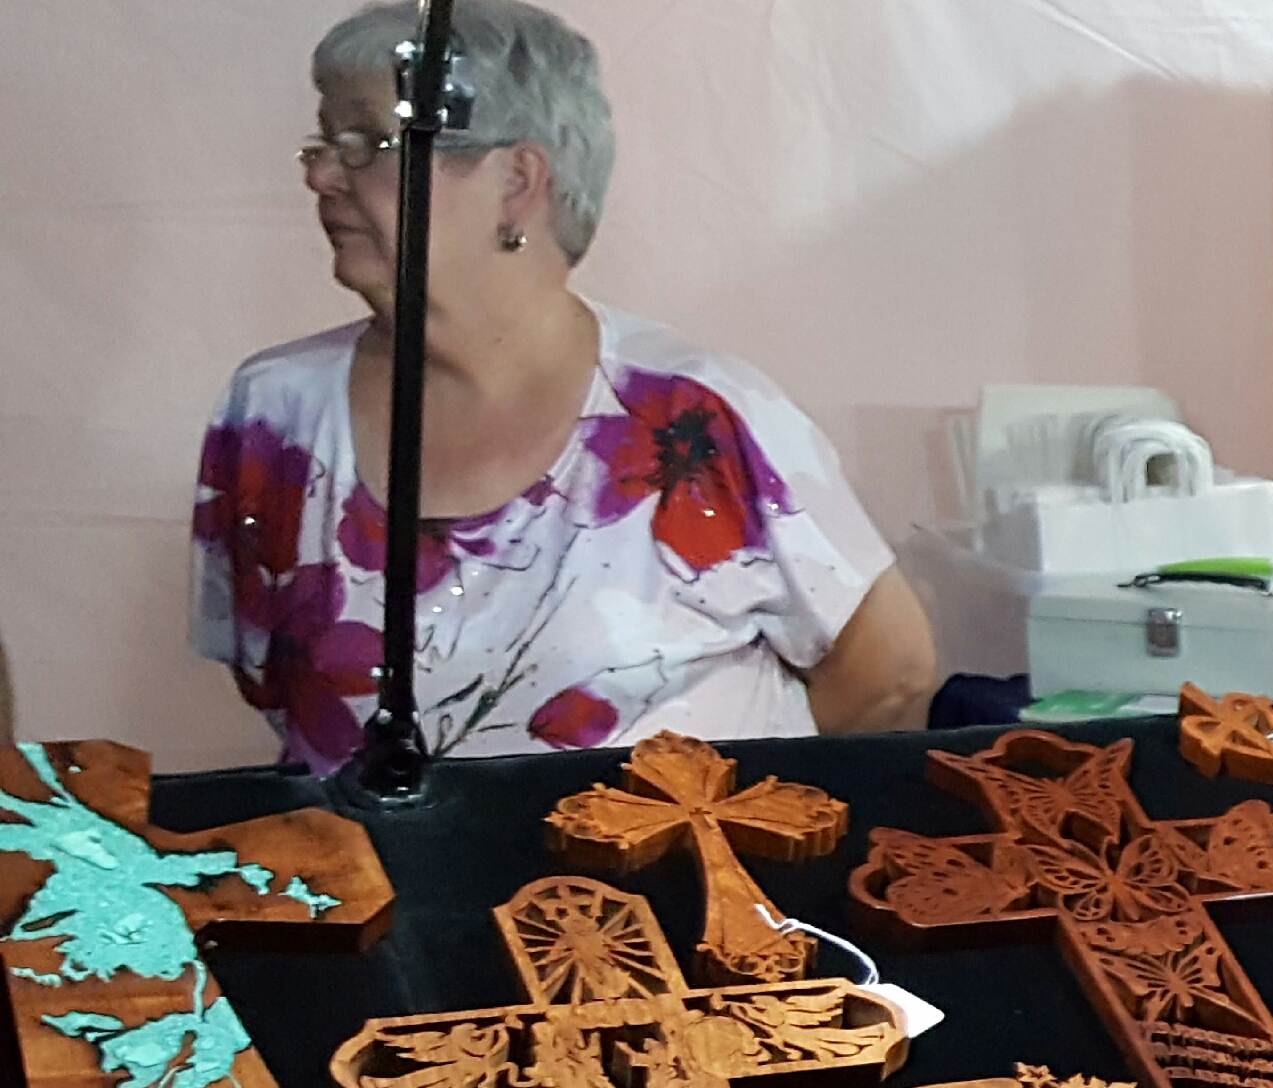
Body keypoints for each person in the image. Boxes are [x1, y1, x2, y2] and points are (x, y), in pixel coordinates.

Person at [190, 0, 935, 772]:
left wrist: (731, 807)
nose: (319, 177)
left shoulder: (696, 418)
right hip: (364, 854)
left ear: (518, 180)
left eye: (367, 143)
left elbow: (891, 678)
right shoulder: (271, 415)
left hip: (668, 853)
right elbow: (271, 682)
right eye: (322, 144)